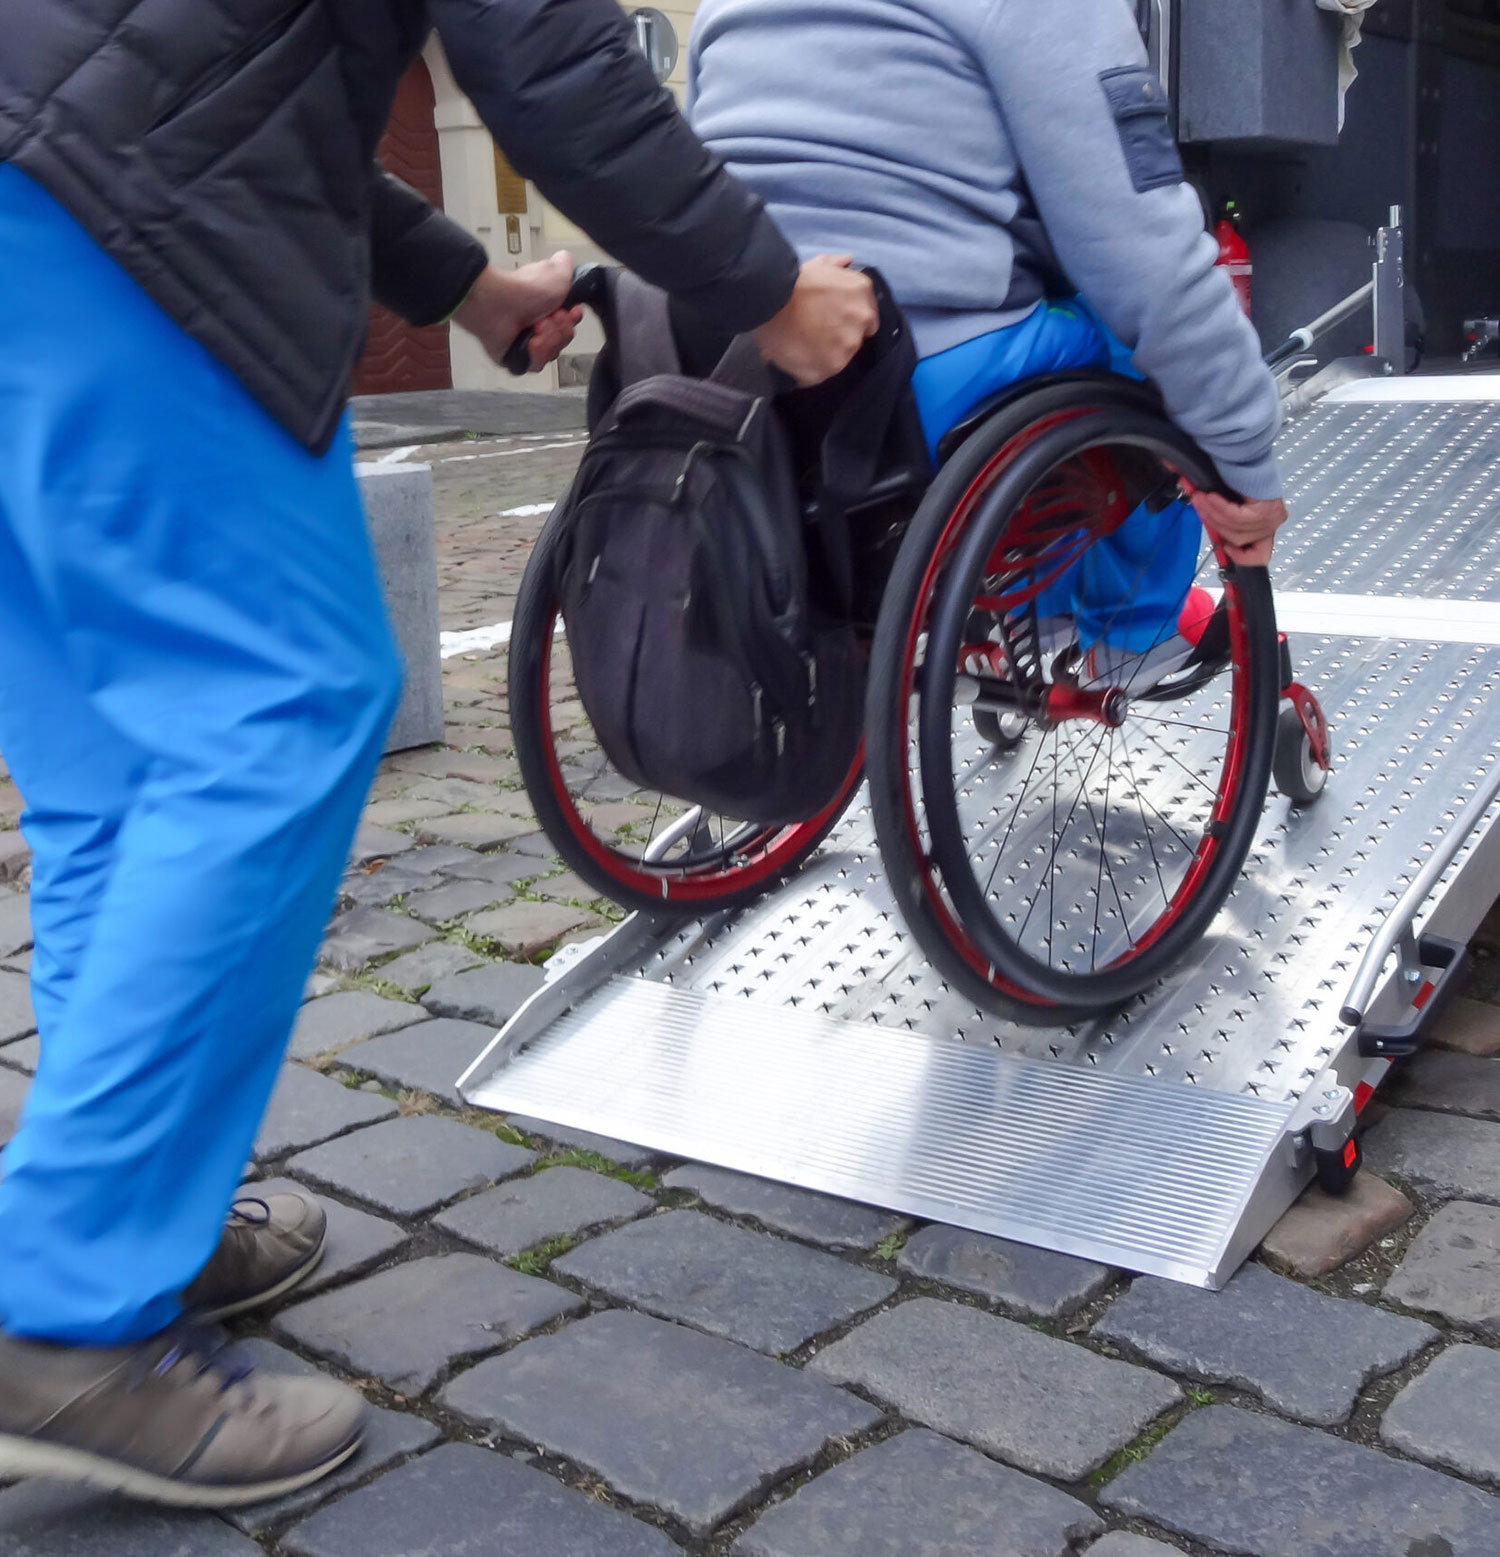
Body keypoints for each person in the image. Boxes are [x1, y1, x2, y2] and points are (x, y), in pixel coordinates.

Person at [0, 0, 878, 1507]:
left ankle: (131, 1192)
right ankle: (65, 1312)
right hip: (116, 225)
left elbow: (234, 66)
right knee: (271, 709)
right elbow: (543, 58)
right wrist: (770, 289)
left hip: (51, 185)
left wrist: (464, 282)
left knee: (117, 777)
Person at [686, 0, 1289, 689]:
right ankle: (1130, 632)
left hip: (741, 374)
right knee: (1146, 347)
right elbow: (1146, 256)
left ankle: (1044, 612)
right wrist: (1244, 456)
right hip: (915, 382)